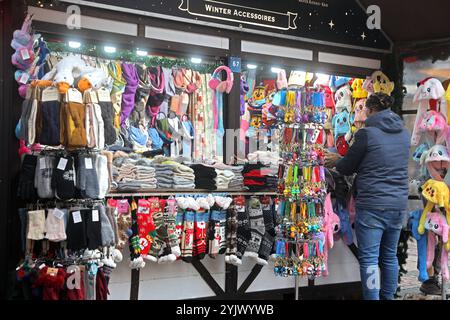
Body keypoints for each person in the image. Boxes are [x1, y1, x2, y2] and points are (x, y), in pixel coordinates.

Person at [325, 92, 410, 300]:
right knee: (389, 256)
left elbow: (347, 167)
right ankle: (388, 297)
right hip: (398, 205)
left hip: (372, 205)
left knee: (370, 259)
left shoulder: (366, 134)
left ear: (370, 110)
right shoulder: (404, 133)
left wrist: (337, 159)